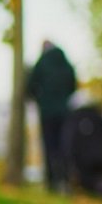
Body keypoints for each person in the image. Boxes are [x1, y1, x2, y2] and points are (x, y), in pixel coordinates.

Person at [26, 40, 78, 193]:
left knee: (49, 147)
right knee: (65, 146)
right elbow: (73, 86)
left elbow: (30, 87)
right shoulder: (66, 63)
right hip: (65, 112)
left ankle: (51, 183)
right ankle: (66, 180)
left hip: (47, 112)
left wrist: (41, 100)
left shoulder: (41, 63)